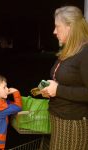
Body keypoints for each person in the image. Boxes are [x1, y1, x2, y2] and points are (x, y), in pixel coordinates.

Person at [40, 6, 88, 150]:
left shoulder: (85, 53)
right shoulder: (69, 51)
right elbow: (64, 81)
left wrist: (58, 90)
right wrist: (49, 88)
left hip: (73, 125)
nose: (54, 32)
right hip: (59, 121)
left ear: (70, 27)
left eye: (57, 27)